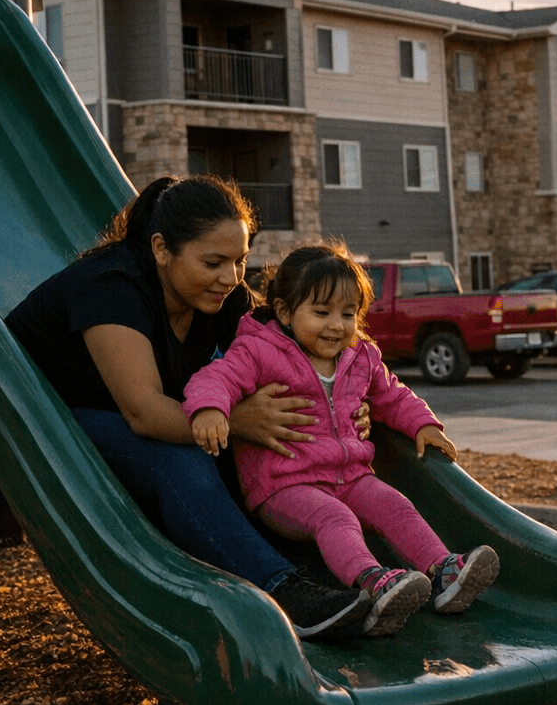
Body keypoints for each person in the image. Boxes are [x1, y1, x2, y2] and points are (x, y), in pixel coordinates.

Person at [0, 176, 371, 639]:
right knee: (179, 450)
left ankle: (322, 569)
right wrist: (241, 419)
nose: (230, 277)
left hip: (89, 426)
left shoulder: (219, 297)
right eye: (214, 262)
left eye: (240, 260)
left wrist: (343, 400)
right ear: (162, 249)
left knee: (223, 435)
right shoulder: (112, 286)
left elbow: (297, 358)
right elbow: (145, 412)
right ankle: (282, 592)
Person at [183, 243, 500, 636]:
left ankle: (443, 571)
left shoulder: (360, 355)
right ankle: (374, 581)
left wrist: (423, 425)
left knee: (394, 503)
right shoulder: (260, 351)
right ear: (284, 312)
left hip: (347, 475)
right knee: (335, 517)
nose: (337, 325)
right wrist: (211, 409)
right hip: (284, 486)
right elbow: (217, 378)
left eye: (348, 314)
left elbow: (392, 395)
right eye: (321, 312)